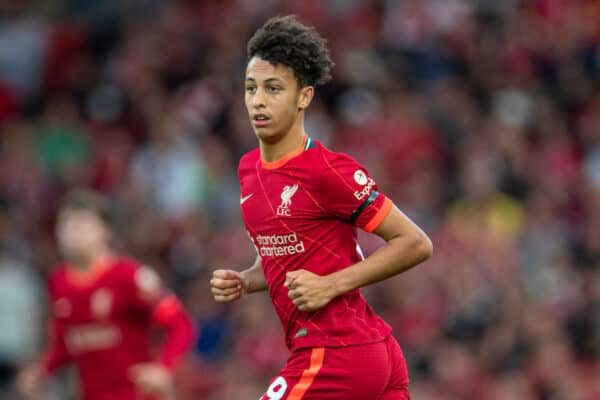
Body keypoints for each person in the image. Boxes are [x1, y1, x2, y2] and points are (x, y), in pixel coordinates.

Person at [210, 15, 433, 400]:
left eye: (274, 88)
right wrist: (248, 279)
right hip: (363, 352)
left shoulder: (328, 171)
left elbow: (415, 242)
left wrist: (330, 285)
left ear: (304, 97)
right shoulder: (248, 169)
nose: (258, 100)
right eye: (251, 88)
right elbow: (290, 255)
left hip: (337, 351)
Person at [17, 189, 194, 400]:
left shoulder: (129, 276)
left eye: (81, 225)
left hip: (135, 395)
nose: (71, 232)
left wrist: (163, 368)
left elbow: (181, 324)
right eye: (65, 225)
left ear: (104, 231)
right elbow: (67, 341)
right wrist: (41, 372)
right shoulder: (59, 282)